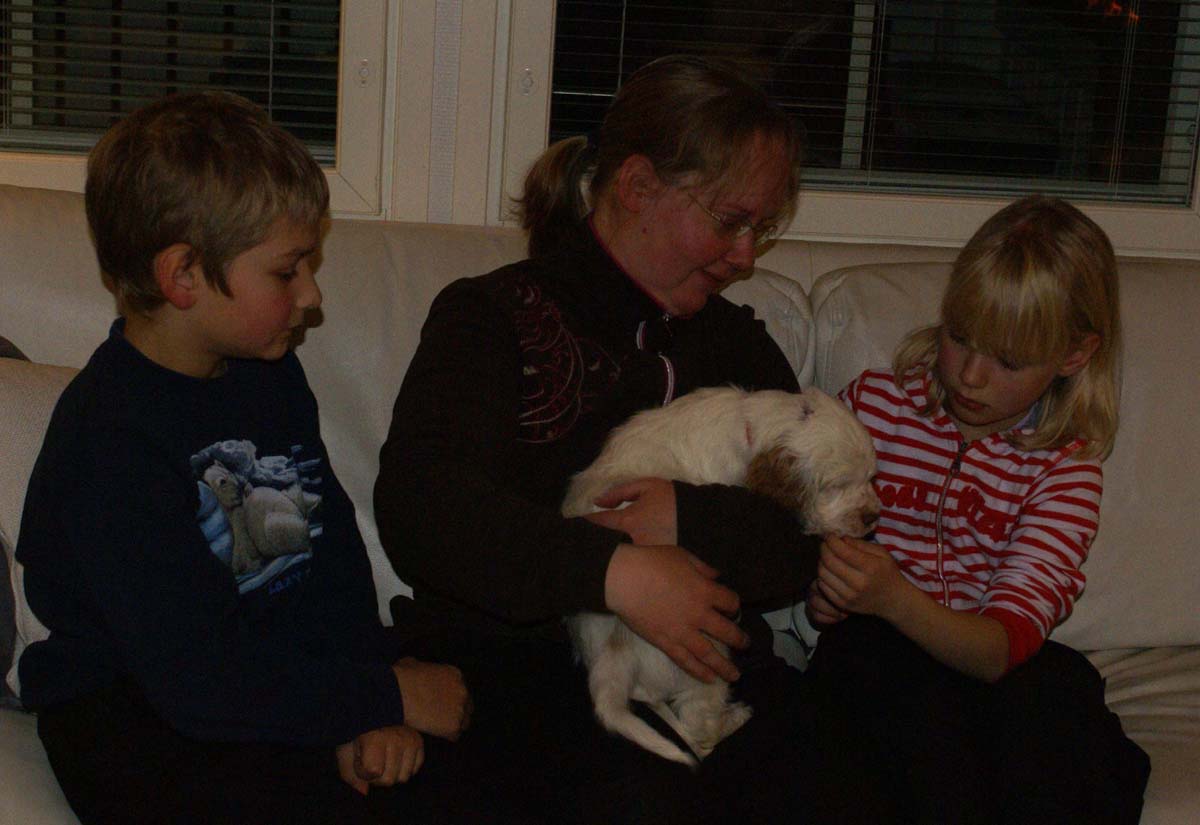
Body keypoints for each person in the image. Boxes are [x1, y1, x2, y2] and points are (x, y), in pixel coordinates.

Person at [374, 55, 819, 823]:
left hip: (710, 682)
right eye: (730, 221)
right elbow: (423, 507)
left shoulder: (735, 346)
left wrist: (686, 516)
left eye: (762, 229)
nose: (747, 257)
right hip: (523, 677)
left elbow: (803, 537)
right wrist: (615, 572)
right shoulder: (495, 316)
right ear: (637, 185)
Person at [15, 91, 470, 825]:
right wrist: (383, 696)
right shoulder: (107, 442)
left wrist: (370, 699)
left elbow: (330, 554)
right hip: (141, 716)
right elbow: (194, 678)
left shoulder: (268, 375)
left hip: (273, 680)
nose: (312, 295)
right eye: (287, 272)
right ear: (183, 276)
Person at [804, 194, 1151, 824]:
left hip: (988, 658)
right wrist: (826, 589)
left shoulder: (1064, 468)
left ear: (1073, 356)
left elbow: (1001, 649)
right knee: (874, 673)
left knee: (1063, 695)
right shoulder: (874, 406)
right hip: (878, 656)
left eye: (1007, 360)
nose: (969, 376)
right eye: (959, 338)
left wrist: (893, 596)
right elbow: (797, 525)